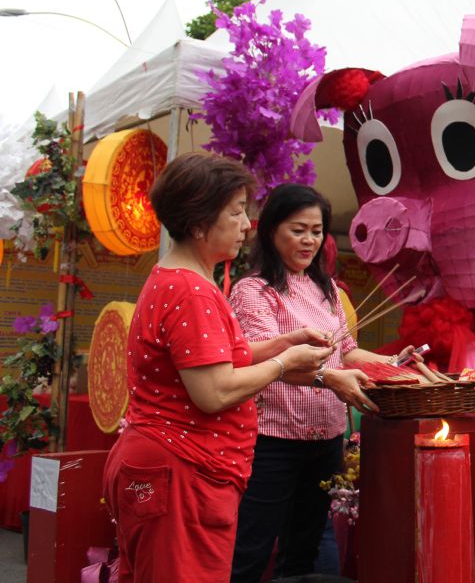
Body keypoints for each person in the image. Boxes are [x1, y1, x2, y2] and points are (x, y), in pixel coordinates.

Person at [102, 153, 333, 583]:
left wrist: (282, 343)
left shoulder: (176, 277)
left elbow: (213, 360)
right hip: (179, 469)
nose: (246, 224)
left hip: (166, 463)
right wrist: (285, 364)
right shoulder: (192, 291)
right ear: (198, 223)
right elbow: (214, 392)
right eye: (236, 212)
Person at [229, 184, 420, 583]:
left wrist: (395, 362)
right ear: (271, 231)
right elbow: (267, 359)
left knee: (304, 550)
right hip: (274, 439)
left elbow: (346, 352)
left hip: (325, 438)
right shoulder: (253, 291)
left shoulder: (327, 288)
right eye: (298, 230)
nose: (309, 240)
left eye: (316, 231)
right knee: (251, 547)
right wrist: (330, 378)